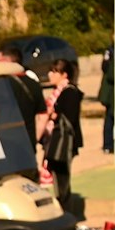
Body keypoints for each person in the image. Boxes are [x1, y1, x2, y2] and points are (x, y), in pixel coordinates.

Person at [37, 59, 83, 210]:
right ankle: (63, 207)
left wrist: (52, 115)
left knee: (62, 178)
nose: (50, 74)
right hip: (56, 140)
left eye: (55, 71)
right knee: (59, 177)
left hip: (64, 142)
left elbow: (69, 117)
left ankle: (65, 209)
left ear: (64, 74)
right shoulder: (58, 92)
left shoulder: (70, 92)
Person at [0, 43, 44, 142]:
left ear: (7, 61)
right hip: (28, 143)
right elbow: (43, 115)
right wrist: (36, 138)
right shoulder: (34, 84)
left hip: (5, 141)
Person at [96, 46, 115, 153]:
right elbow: (108, 71)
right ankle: (108, 144)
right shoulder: (110, 51)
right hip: (110, 93)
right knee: (110, 117)